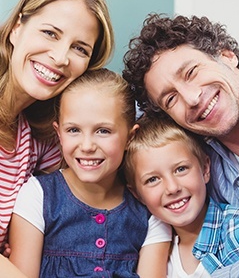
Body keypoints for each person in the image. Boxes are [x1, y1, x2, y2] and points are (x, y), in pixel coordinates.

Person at [8, 69, 171, 278]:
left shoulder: (149, 210)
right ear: (58, 133)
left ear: (131, 136)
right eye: (73, 130)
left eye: (103, 131)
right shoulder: (37, 196)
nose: (86, 146)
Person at [0, 0, 114, 254]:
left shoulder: (41, 139)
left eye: (80, 48)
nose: (61, 57)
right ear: (17, 29)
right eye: (50, 33)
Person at [122, 13, 239, 208]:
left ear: (227, 56)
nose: (191, 98)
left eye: (191, 72)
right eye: (171, 99)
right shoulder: (197, 162)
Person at [125, 116, 239, 278]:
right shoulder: (152, 253)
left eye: (181, 169)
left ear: (205, 169)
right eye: (153, 179)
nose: (172, 188)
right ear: (137, 194)